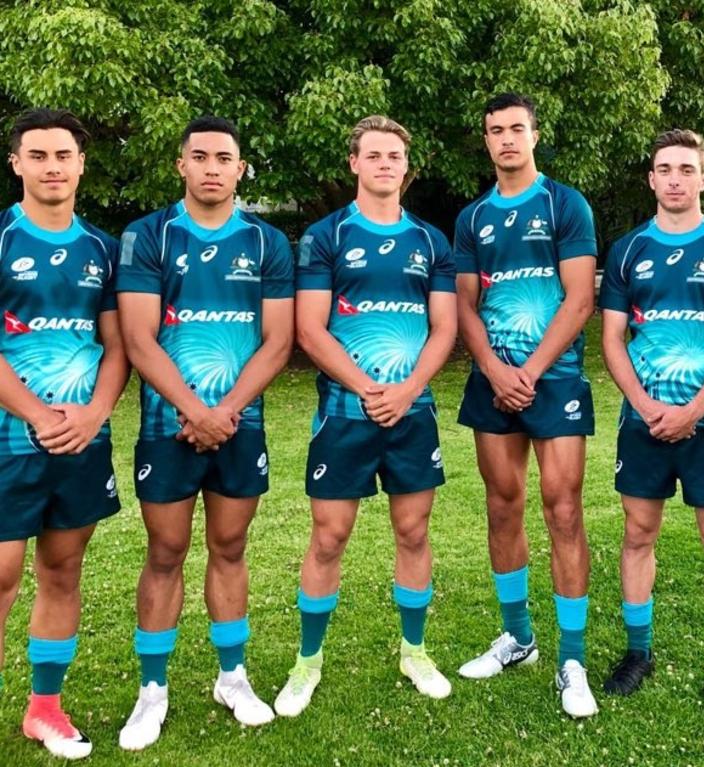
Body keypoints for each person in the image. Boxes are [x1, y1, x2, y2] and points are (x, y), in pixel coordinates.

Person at [116, 116, 295, 749]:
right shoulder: (147, 237)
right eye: (201, 156)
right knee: (164, 553)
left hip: (239, 425)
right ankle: (152, 690)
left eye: (225, 157)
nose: (213, 167)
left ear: (241, 168)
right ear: (181, 166)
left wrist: (225, 413)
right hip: (169, 425)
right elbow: (138, 337)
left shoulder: (267, 241)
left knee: (229, 548)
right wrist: (195, 410)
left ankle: (232, 676)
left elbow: (279, 340)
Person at [274, 115, 457, 717]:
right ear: (354, 163)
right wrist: (368, 387)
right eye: (372, 155)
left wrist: (405, 390)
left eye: (394, 156)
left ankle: (415, 650)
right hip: (345, 412)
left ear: (407, 166)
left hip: (414, 410)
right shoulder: (325, 236)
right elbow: (309, 327)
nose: (384, 164)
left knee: (413, 532)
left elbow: (444, 327)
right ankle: (307, 663)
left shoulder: (430, 241)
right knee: (329, 536)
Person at [598, 129, 704, 717]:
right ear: (651, 179)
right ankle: (637, 653)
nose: (675, 178)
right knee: (638, 534)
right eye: (664, 168)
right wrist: (646, 407)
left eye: (686, 169)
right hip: (641, 419)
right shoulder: (626, 250)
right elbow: (613, 338)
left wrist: (693, 410)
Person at [454, 93, 599, 717]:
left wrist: (531, 371)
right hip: (494, 381)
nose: (507, 139)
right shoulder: (473, 216)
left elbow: (578, 299)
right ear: (486, 141)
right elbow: (464, 303)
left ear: (535, 135)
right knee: (502, 504)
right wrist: (492, 368)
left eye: (517, 128)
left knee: (562, 508)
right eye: (495, 130)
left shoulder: (564, 204)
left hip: (555, 377)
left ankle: (571, 658)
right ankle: (518, 638)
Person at [0, 107, 128, 759]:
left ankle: (44, 709)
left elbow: (117, 345)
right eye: (38, 155)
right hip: (8, 436)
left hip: (80, 437)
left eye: (63, 155)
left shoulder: (103, 249)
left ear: (80, 164)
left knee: (62, 567)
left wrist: (93, 413)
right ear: (16, 162)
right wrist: (34, 412)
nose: (52, 166)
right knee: (1, 570)